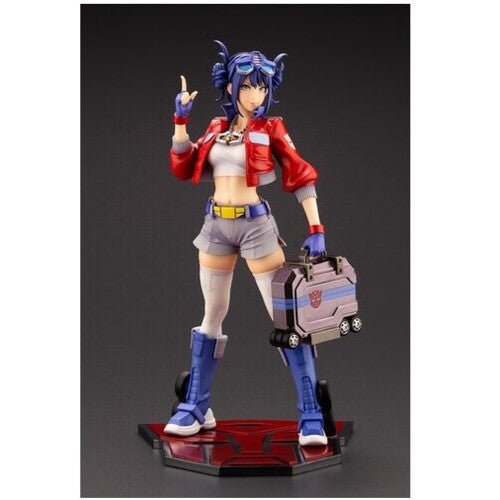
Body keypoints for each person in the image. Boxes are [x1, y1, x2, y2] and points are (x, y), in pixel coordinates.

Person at [164, 41, 328, 446]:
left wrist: (316, 227)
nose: (256, 95)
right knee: (212, 312)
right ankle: (196, 404)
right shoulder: (216, 129)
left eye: (262, 87)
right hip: (216, 225)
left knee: (284, 319)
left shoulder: (272, 129)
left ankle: (310, 412)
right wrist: (180, 121)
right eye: (248, 86)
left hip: (256, 227)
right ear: (231, 87)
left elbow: (300, 174)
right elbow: (183, 166)